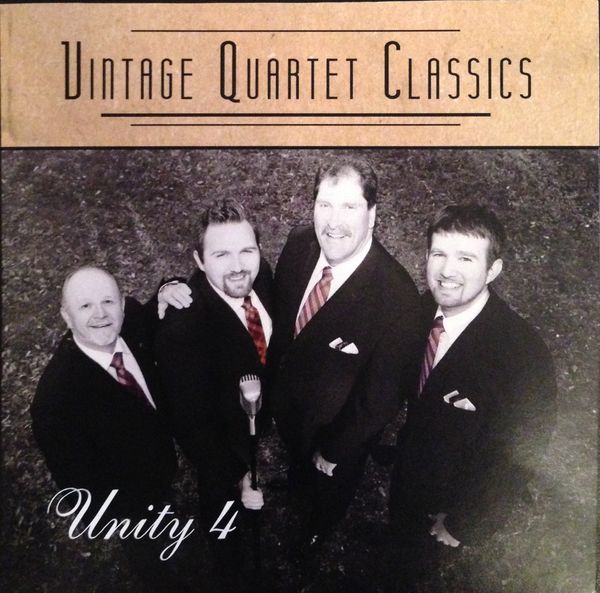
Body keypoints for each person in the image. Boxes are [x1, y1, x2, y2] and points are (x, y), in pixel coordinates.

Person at [389, 204, 557, 587]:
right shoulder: (423, 309)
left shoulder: (523, 359)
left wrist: (464, 523)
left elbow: (520, 457)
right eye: (439, 254)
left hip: (451, 498)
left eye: (465, 258)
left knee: (420, 573)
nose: (447, 271)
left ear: (493, 270)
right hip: (411, 470)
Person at [269, 158, 421, 557]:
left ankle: (319, 527)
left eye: (349, 207)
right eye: (325, 205)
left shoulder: (398, 301)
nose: (333, 223)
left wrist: (335, 450)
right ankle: (297, 480)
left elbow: (381, 398)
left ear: (372, 215)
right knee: (298, 460)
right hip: (291, 407)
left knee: (329, 487)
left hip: (337, 433)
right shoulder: (299, 243)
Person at [31, 266, 187, 592]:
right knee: (155, 565)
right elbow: (79, 485)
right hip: (129, 502)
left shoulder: (130, 321)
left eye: (107, 301)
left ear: (122, 304)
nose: (100, 314)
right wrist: (122, 518)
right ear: (66, 316)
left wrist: (167, 290)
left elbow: (153, 312)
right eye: (85, 306)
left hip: (160, 467)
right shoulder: (56, 400)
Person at [154, 199, 272, 591]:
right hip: (220, 441)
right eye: (221, 255)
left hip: (254, 413)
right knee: (221, 508)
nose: (238, 266)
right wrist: (238, 477)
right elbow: (192, 427)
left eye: (246, 250)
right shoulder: (183, 328)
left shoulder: (261, 276)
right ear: (199, 261)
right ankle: (228, 567)